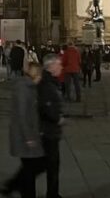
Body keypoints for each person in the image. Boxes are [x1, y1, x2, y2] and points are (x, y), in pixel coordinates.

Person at [0, 61, 46, 198]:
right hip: (24, 135)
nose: (41, 78)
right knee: (31, 168)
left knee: (30, 167)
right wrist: (29, 137)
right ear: (36, 75)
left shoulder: (29, 87)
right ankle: (15, 188)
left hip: (28, 134)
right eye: (40, 75)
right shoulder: (24, 89)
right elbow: (22, 115)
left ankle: (12, 187)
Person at [39, 54, 65, 198]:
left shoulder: (51, 81)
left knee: (50, 165)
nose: (61, 67)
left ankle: (53, 193)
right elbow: (46, 105)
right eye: (58, 64)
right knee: (51, 165)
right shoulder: (47, 84)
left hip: (50, 131)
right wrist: (57, 118)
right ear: (51, 66)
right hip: (48, 132)